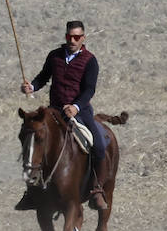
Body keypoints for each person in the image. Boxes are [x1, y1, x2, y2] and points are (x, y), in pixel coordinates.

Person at [19, 20, 109, 211]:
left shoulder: (90, 60)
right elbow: (43, 76)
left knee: (100, 143)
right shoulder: (55, 56)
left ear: (83, 38)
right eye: (69, 36)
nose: (72, 40)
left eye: (77, 37)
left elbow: (89, 89)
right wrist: (32, 86)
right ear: (66, 36)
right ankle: (31, 192)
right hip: (55, 110)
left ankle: (97, 189)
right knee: (32, 138)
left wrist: (76, 106)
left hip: (81, 111)